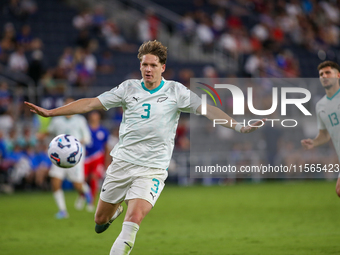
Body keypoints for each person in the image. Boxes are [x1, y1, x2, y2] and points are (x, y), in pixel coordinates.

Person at [25, 40, 264, 255]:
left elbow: (209, 109)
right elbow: (90, 103)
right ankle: (113, 211)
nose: (147, 69)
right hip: (122, 163)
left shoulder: (176, 91)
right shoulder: (128, 88)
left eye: (152, 65)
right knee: (100, 221)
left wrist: (238, 127)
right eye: (144, 64)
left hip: (152, 169)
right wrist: (50, 112)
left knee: (134, 219)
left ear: (163, 67)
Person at [39, 97, 93, 218]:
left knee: (77, 184)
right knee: (55, 181)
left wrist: (73, 145)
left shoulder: (80, 120)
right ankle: (63, 211)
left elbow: (87, 138)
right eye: (66, 104)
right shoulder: (57, 120)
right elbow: (50, 132)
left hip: (75, 158)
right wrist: (41, 135)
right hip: (58, 157)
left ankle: (87, 192)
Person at [301, 60, 340, 195]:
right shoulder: (320, 105)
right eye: (321, 74)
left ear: (338, 75)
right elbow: (324, 134)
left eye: (328, 72)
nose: (324, 76)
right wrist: (314, 142)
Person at [85, 110, 109, 209]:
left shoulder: (103, 131)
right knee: (83, 178)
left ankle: (91, 202)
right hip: (86, 158)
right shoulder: (85, 130)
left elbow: (107, 148)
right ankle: (83, 195)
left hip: (98, 157)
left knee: (94, 177)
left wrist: (107, 162)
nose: (94, 117)